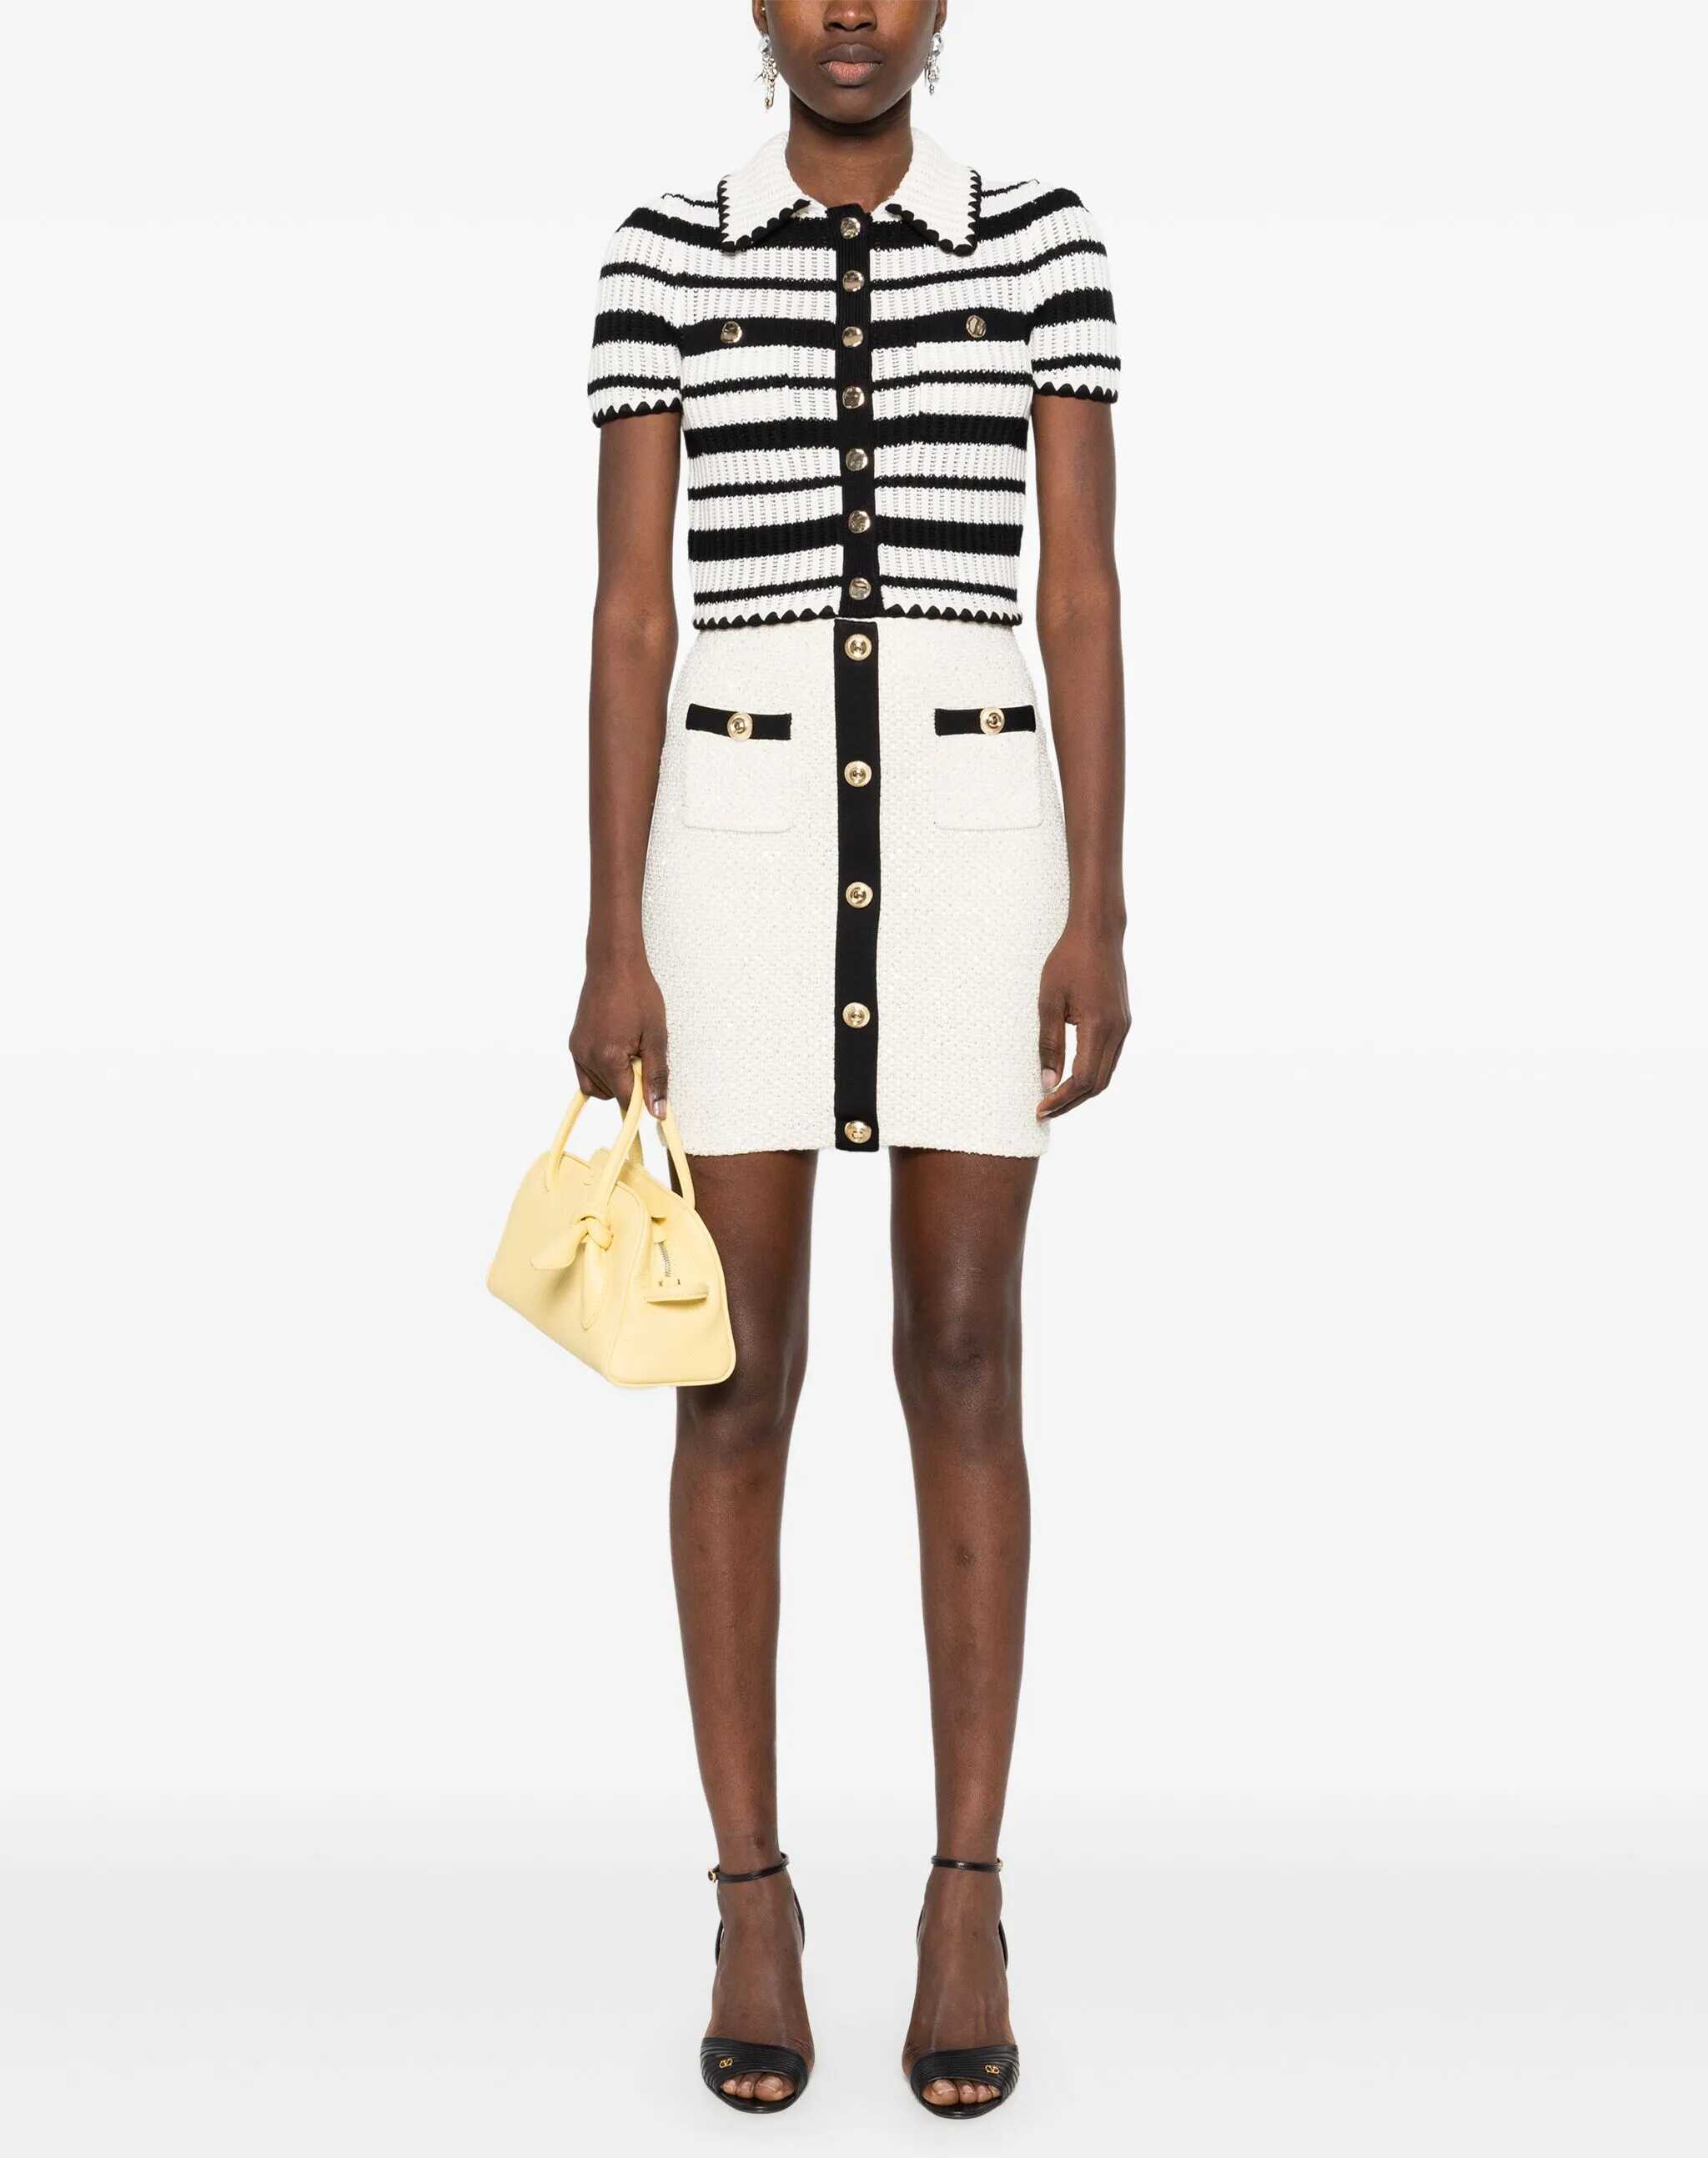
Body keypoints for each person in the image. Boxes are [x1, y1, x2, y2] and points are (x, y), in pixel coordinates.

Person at [571, 0, 1126, 2116]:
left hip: (980, 829)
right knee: (732, 1371)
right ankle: (752, 1896)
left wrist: (1101, 900)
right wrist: (612, 930)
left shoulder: (1043, 238)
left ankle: (965, 1895)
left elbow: (1081, 586)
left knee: (965, 1350)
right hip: (730, 837)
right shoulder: (663, 248)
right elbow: (633, 610)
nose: (851, 17)